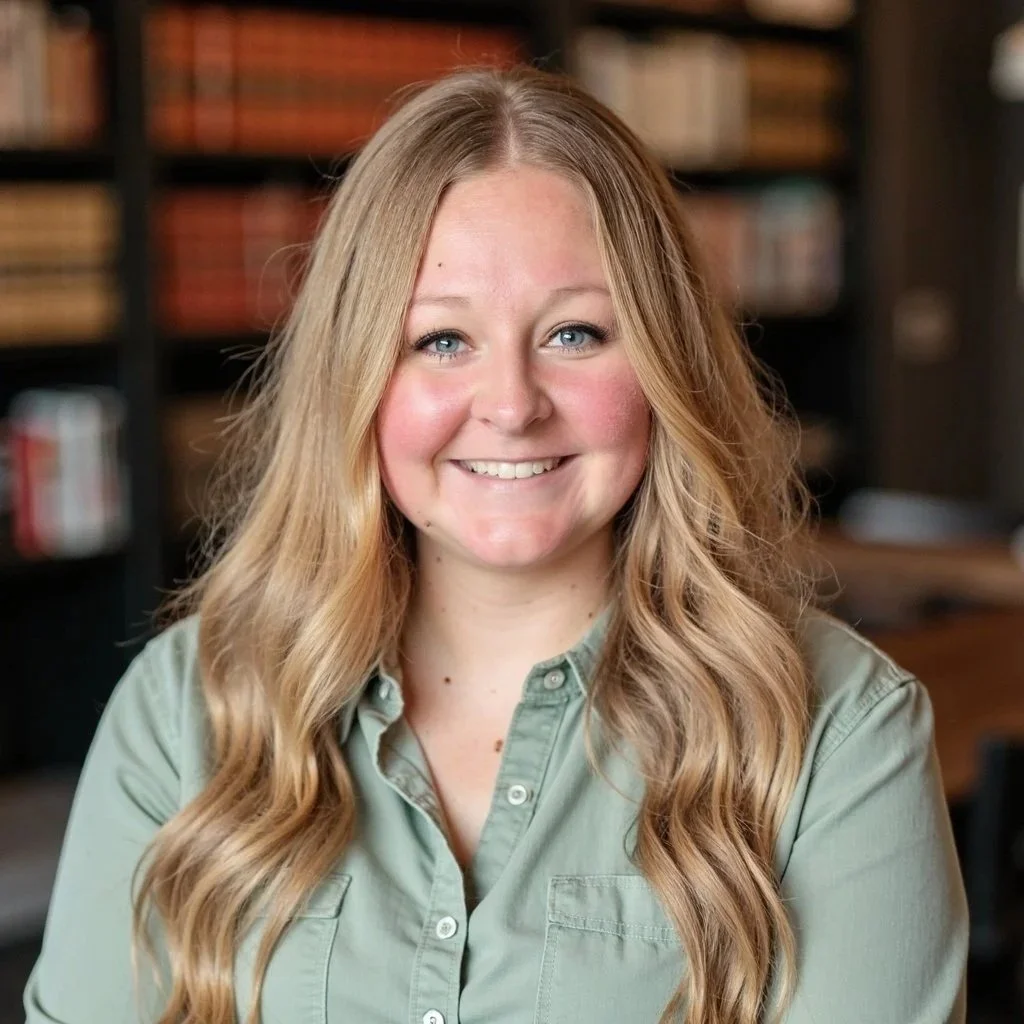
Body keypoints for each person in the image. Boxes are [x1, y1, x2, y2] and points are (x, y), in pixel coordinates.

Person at [24, 65, 967, 1024]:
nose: (512, 406)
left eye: (575, 332)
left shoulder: (841, 733)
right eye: (441, 341)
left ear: (663, 363)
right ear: (358, 377)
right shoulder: (185, 711)